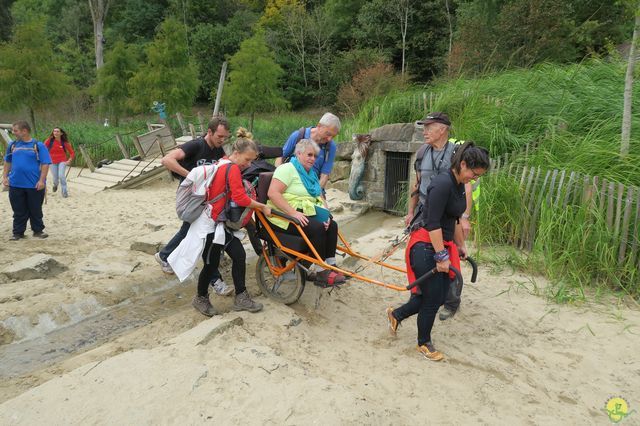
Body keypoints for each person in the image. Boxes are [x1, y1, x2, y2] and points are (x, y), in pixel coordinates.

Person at [386, 142, 490, 361]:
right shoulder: (442, 184)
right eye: (474, 173)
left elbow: (453, 219)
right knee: (432, 299)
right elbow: (433, 223)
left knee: (438, 294)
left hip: (441, 243)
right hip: (425, 245)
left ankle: (396, 315)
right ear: (462, 164)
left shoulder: (459, 183)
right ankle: (424, 343)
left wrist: (460, 245)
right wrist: (441, 256)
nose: (475, 179)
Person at [191, 128, 271, 316]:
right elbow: (240, 198)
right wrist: (262, 206)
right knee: (211, 263)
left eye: (252, 160)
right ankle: (200, 298)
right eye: (247, 160)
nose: (249, 164)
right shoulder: (232, 168)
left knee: (239, 255)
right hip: (211, 224)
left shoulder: (223, 163)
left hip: (220, 223)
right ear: (236, 153)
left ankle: (241, 297)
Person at [405, 112, 474, 320]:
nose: (424, 131)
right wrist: (410, 212)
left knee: (453, 253)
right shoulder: (422, 152)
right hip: (424, 213)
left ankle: (451, 302)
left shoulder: (457, 153)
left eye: (429, 127)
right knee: (420, 255)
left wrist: (464, 216)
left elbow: (467, 185)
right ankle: (419, 295)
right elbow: (416, 185)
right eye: (423, 127)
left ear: (442, 129)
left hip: (449, 215)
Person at [155, 115, 232, 296]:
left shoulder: (219, 151)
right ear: (209, 132)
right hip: (191, 199)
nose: (222, 140)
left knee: (190, 230)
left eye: (225, 137)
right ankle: (215, 280)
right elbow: (167, 160)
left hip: (206, 199)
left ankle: (165, 255)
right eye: (219, 136)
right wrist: (191, 176)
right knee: (200, 233)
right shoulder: (196, 146)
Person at [268, 139, 346, 286]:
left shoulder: (310, 174)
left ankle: (331, 265)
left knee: (332, 225)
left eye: (315, 156)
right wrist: (293, 213)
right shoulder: (287, 169)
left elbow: (319, 196)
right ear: (298, 153)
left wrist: (326, 215)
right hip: (284, 216)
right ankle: (321, 271)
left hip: (306, 212)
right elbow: (273, 194)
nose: (313, 159)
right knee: (317, 228)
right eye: (309, 155)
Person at [2, 120, 52, 240]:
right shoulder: (12, 145)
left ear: (24, 131)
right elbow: (7, 162)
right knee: (18, 211)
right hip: (15, 184)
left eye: (15, 131)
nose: (13, 133)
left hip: (34, 185)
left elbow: (45, 164)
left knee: (35, 209)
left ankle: (38, 231)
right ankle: (18, 233)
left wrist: (41, 181)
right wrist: (5, 177)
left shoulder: (38, 145)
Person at [275, 112, 341, 189]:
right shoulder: (298, 136)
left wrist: (315, 192)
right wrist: (278, 178)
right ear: (319, 126)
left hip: (314, 186)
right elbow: (280, 157)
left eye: (333, 136)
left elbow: (324, 175)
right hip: (291, 184)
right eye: (328, 134)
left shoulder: (331, 146)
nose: (329, 139)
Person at [44, 127, 75, 198]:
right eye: (54, 131)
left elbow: (72, 153)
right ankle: (55, 185)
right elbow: (43, 149)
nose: (55, 133)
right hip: (52, 162)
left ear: (61, 133)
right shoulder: (49, 141)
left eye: (57, 131)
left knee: (61, 176)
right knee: (55, 178)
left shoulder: (64, 143)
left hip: (62, 161)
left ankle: (64, 192)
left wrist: (69, 160)